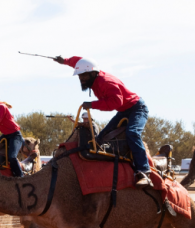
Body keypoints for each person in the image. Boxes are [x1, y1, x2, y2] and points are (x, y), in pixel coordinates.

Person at [54, 55, 151, 186]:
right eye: (79, 75)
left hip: (137, 108)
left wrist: (92, 104)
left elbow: (116, 102)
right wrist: (64, 61)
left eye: (83, 75)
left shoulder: (106, 82)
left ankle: (144, 171)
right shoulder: (91, 70)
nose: (81, 79)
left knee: (132, 133)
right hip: (124, 111)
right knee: (100, 139)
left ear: (93, 73)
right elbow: (79, 62)